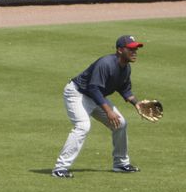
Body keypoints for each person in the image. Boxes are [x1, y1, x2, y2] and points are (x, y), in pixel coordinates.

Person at [52, 35, 148, 178]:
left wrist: (137, 104)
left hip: (94, 96)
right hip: (77, 93)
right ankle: (60, 168)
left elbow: (124, 89)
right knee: (83, 126)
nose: (135, 52)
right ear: (120, 50)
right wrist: (108, 111)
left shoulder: (125, 68)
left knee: (120, 124)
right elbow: (93, 88)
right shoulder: (106, 64)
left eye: (136, 49)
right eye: (131, 49)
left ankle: (120, 164)